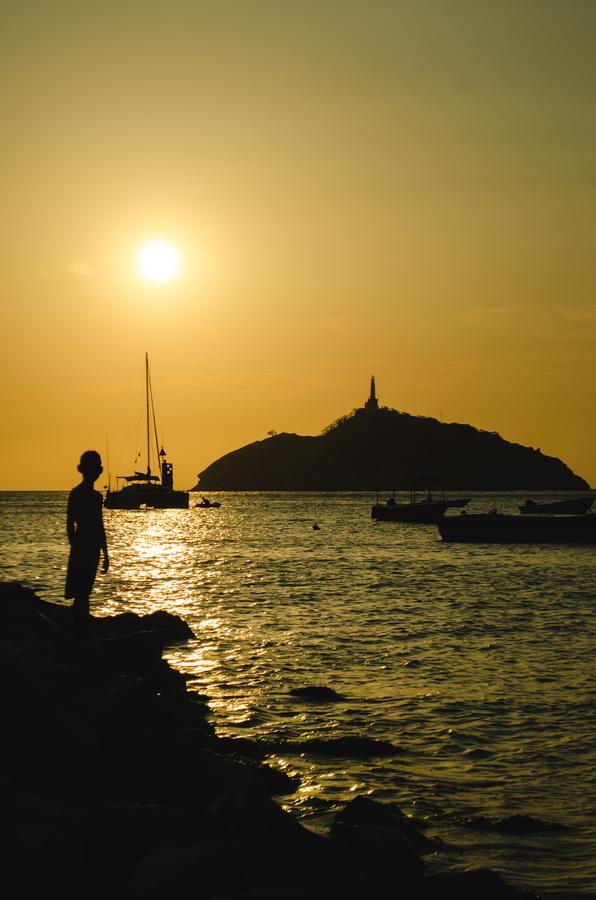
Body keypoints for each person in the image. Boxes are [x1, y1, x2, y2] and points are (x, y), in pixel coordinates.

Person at [65, 450, 109, 626]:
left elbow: (99, 526)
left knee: (84, 591)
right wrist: (75, 544)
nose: (95, 471)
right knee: (81, 592)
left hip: (91, 549)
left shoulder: (97, 497)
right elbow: (70, 523)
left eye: (96, 467)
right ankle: (80, 627)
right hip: (83, 548)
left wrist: (105, 553)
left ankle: (80, 625)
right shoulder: (76, 494)